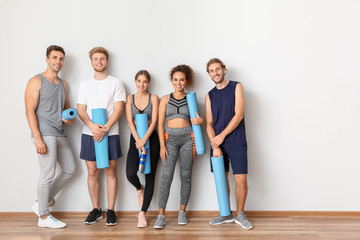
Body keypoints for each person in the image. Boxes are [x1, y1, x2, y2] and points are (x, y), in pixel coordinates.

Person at [25, 45, 76, 228]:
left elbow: (66, 108)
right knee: (47, 174)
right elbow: (30, 111)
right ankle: (44, 217)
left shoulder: (63, 84)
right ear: (47, 60)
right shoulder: (36, 81)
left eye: (61, 58)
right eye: (54, 58)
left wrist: (69, 118)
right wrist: (37, 138)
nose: (58, 61)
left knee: (70, 169)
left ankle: (41, 203)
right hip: (45, 133)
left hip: (60, 132)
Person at [77, 47, 126, 226]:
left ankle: (111, 210)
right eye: (96, 59)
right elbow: (80, 110)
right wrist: (92, 126)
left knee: (111, 171)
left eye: (102, 59)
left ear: (107, 62)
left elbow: (119, 109)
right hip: (89, 134)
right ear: (91, 62)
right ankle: (96, 209)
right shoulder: (84, 84)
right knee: (92, 172)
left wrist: (104, 128)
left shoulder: (116, 83)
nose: (99, 62)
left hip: (111, 133)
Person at [205, 58, 253, 229]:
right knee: (221, 178)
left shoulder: (236, 86)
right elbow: (209, 123)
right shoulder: (209, 95)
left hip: (236, 140)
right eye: (211, 70)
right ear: (209, 74)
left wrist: (221, 136)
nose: (215, 73)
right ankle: (225, 213)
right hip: (217, 144)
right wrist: (215, 143)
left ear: (224, 69)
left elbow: (238, 115)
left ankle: (240, 214)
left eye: (217, 69)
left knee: (240, 178)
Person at [154, 64, 203, 229]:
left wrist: (199, 122)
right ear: (171, 80)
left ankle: (182, 212)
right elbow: (160, 123)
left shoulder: (191, 98)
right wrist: (162, 145)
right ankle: (161, 215)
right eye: (175, 79)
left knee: (186, 176)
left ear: (187, 81)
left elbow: (198, 120)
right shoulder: (165, 99)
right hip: (170, 139)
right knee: (166, 177)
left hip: (188, 139)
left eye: (182, 79)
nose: (178, 82)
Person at [125, 70, 160, 228]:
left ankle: (142, 213)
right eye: (139, 81)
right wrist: (138, 141)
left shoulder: (154, 98)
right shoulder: (129, 99)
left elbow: (154, 122)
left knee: (150, 176)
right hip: (135, 138)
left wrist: (144, 139)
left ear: (149, 83)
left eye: (145, 81)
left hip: (151, 138)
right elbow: (130, 122)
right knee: (130, 173)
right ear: (135, 81)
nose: (142, 84)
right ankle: (140, 188)